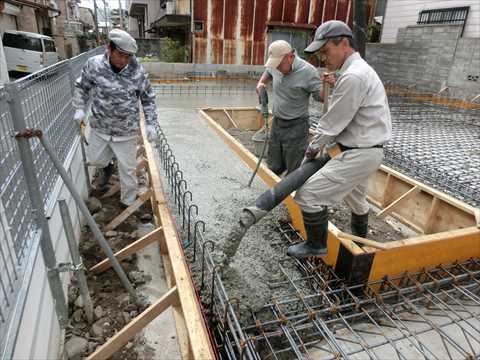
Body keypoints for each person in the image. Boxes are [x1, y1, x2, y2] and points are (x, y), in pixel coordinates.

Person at [287, 20, 392, 258]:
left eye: (326, 51)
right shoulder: (356, 72)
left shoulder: (354, 76)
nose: (323, 58)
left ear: (343, 43)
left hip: (359, 151)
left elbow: (331, 124)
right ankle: (362, 246)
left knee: (308, 195)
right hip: (366, 149)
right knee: (357, 200)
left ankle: (316, 245)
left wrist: (311, 151)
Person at [73, 29, 158, 208]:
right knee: (95, 160)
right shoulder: (94, 65)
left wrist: (151, 124)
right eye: (120, 55)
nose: (124, 60)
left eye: (128, 56)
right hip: (100, 127)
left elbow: (148, 97)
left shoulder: (138, 72)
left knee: (128, 170)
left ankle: (127, 202)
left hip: (125, 130)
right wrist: (79, 108)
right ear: (109, 49)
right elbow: (82, 86)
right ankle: (107, 165)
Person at [256, 40, 322, 176]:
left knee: (294, 169)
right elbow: (268, 73)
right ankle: (273, 194)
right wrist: (261, 83)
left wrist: (329, 86)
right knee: (274, 164)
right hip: (277, 124)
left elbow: (320, 98)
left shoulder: (308, 72)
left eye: (279, 64)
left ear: (290, 57)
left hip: (296, 127)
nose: (277, 67)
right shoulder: (275, 66)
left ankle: (291, 196)